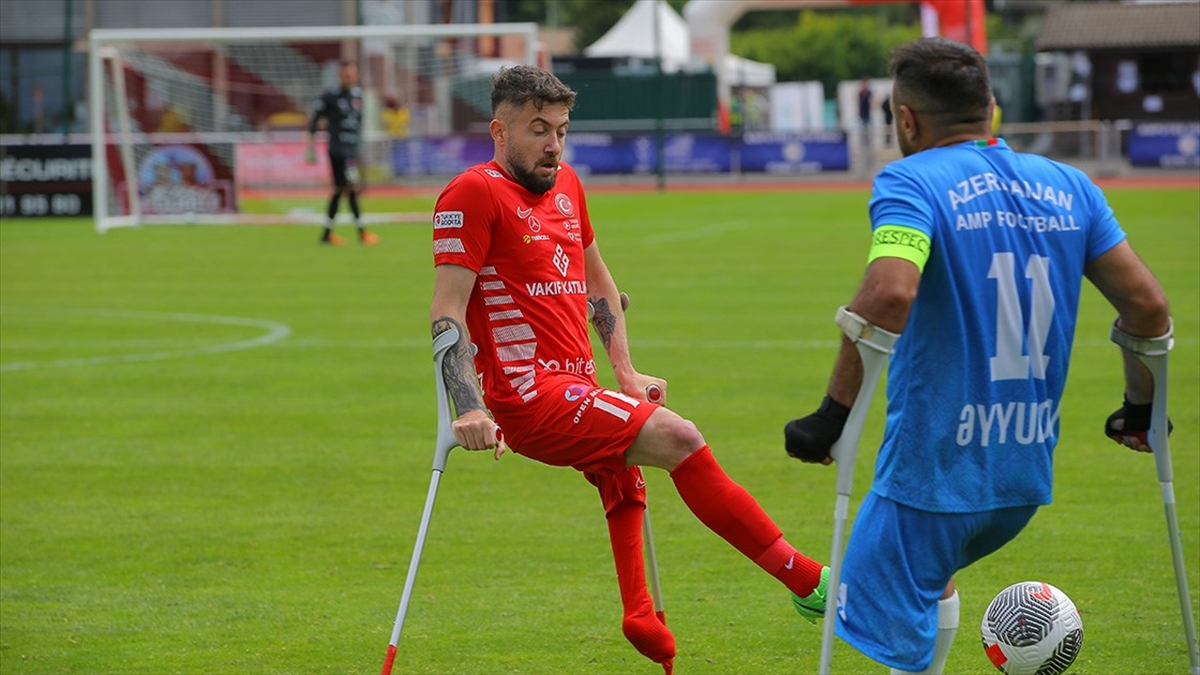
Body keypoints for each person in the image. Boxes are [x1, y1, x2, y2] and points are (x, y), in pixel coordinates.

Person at [783, 37, 1172, 675]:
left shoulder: (911, 181)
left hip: (930, 474)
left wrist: (832, 414)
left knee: (892, 630)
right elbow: (1149, 308)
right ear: (989, 107)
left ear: (906, 120)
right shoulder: (1070, 185)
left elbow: (889, 292)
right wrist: (1140, 407)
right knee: (931, 580)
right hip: (1020, 480)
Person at [430, 64, 829, 674]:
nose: (553, 144)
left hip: (576, 382)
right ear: (499, 131)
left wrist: (626, 370)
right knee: (679, 436)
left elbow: (598, 283)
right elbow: (447, 314)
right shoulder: (472, 193)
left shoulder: (567, 187)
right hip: (527, 396)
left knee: (623, 467)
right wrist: (469, 407)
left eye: (561, 129)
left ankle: (639, 610)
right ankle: (807, 582)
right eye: (538, 130)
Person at [307, 60, 378, 246]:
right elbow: (314, 122)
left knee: (340, 190)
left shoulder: (358, 96)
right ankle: (362, 233)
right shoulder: (331, 96)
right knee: (352, 188)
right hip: (339, 151)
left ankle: (327, 233)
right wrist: (310, 148)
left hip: (351, 150)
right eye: (345, 74)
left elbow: (359, 125)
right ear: (340, 75)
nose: (348, 77)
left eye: (351, 74)